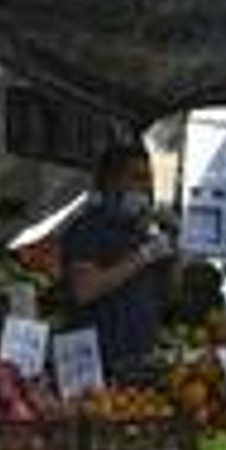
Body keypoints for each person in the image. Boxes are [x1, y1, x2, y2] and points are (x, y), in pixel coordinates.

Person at [61, 144, 174, 376]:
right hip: (97, 360)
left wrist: (176, 241)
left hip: (139, 357)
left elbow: (172, 290)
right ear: (112, 180)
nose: (147, 187)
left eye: (149, 179)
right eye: (138, 178)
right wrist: (143, 256)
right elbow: (84, 289)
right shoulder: (89, 228)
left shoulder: (139, 230)